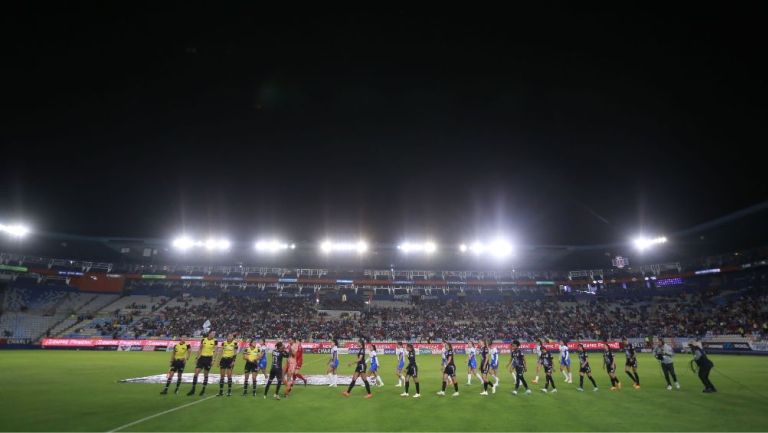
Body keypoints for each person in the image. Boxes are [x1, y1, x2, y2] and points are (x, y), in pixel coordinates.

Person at [187, 330, 217, 396]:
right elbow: (200, 349)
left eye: (214, 334)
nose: (213, 334)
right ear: (209, 333)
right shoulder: (203, 340)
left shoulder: (215, 341)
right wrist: (197, 358)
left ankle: (203, 390)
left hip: (209, 359)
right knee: (196, 373)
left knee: (205, 375)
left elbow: (215, 351)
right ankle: (193, 389)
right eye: (212, 333)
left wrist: (213, 360)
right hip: (202, 358)